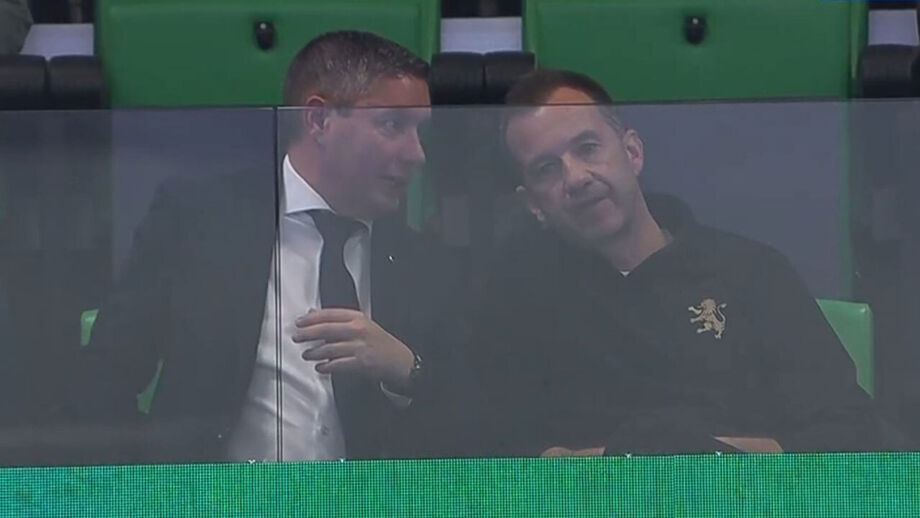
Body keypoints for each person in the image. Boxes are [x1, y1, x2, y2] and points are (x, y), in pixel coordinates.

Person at [79, 31, 477, 463]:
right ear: (319, 121)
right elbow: (107, 373)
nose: (417, 154)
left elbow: (478, 419)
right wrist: (158, 487)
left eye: (421, 132)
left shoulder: (424, 258)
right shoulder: (199, 219)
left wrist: (405, 369)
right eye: (392, 125)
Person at [472, 68, 901, 457]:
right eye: (547, 169)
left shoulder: (750, 272)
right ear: (532, 205)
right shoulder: (515, 303)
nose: (577, 177)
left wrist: (710, 460)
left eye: (587, 148)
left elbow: (851, 432)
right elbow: (491, 454)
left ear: (632, 152)